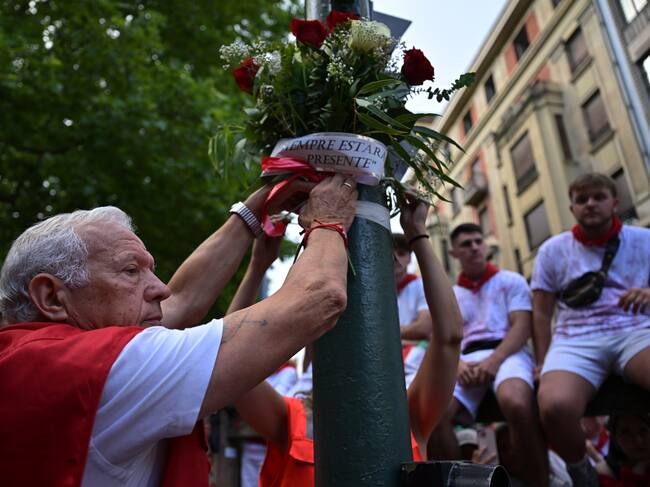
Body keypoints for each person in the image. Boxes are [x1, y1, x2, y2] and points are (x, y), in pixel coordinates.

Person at [0, 175, 357, 487]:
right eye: (130, 271)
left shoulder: (38, 361)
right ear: (52, 297)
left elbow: (183, 301)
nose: (161, 288)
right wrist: (328, 220)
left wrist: (255, 209)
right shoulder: (101, 371)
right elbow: (318, 298)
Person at [233, 194, 464, 486]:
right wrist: (258, 267)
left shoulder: (407, 415)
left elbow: (450, 336)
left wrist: (418, 233)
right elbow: (232, 356)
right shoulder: (290, 418)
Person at [531, 173, 650, 487]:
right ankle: (582, 474)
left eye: (598, 197)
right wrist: (542, 362)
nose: (590, 204)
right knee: (555, 406)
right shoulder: (551, 250)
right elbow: (541, 314)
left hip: (636, 330)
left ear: (615, 201)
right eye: (582, 200)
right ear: (572, 208)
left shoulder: (644, 239)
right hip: (575, 339)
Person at [428, 223, 549, 487]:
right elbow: (441, 337)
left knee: (516, 402)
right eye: (465, 244)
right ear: (453, 253)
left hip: (508, 353)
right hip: (466, 359)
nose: (474, 248)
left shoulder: (510, 280)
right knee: (435, 414)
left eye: (477, 241)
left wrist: (493, 362)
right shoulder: (450, 294)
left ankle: (538, 481)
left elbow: (522, 326)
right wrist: (457, 365)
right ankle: (458, 483)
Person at [587, 413, 650, 487]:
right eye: (626, 433)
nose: (638, 440)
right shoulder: (605, 473)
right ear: (615, 439)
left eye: (643, 430)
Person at [393, 233, 432, 341]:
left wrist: (386, 334)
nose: (395, 258)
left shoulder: (422, 286)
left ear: (410, 258)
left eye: (401, 253)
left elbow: (423, 327)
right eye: (388, 253)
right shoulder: (375, 292)